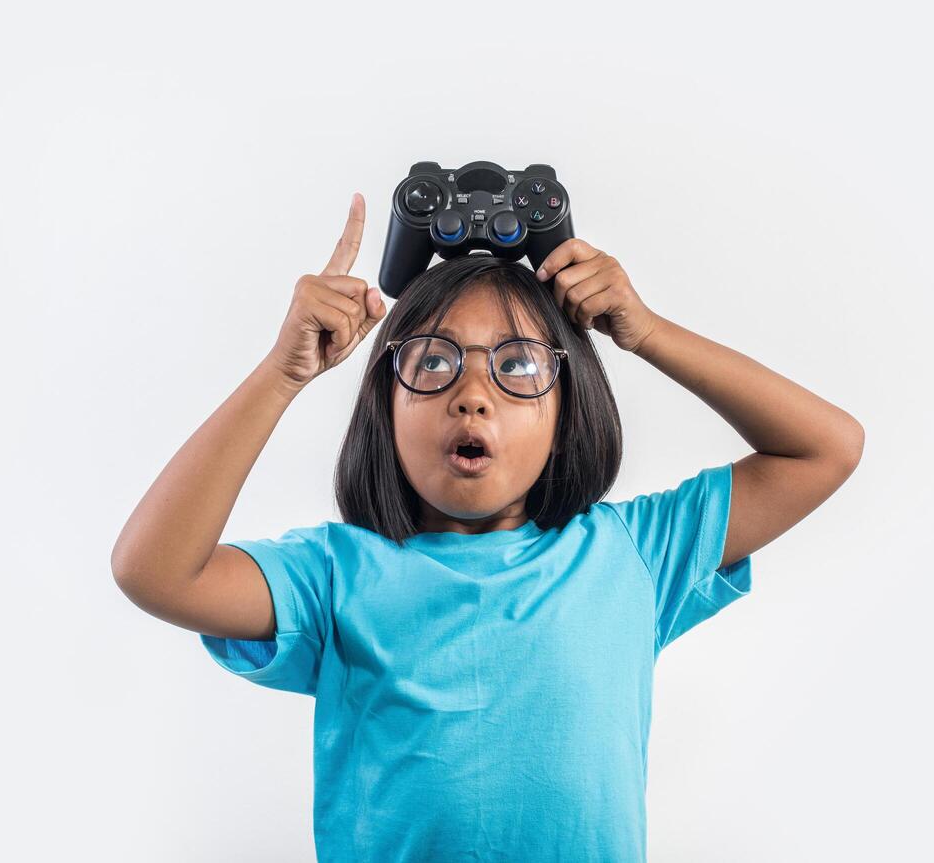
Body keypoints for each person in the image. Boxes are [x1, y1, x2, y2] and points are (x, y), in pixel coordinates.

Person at [111, 192, 865, 861]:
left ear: (570, 408)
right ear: (383, 406)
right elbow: (153, 570)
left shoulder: (633, 554)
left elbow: (824, 447)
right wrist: (283, 372)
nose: (473, 395)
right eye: (433, 364)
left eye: (518, 367)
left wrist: (645, 331)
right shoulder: (333, 575)